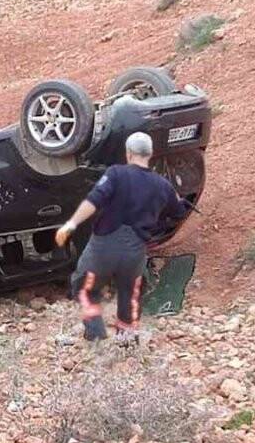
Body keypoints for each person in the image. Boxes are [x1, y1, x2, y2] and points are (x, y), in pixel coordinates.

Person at [54, 132, 191, 342]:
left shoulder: (116, 174)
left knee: (84, 287)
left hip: (103, 248)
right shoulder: (162, 185)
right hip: (135, 251)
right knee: (130, 294)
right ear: (150, 154)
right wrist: (176, 200)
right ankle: (126, 339)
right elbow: (178, 212)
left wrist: (71, 224)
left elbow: (94, 201)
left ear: (128, 153)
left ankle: (95, 334)